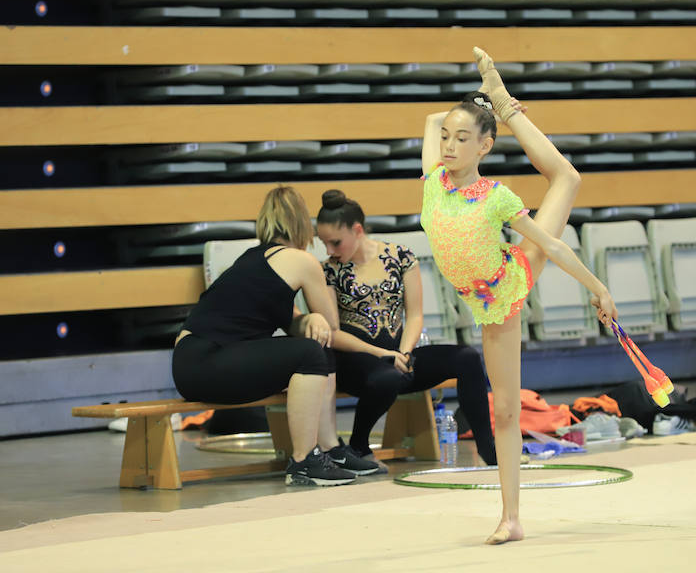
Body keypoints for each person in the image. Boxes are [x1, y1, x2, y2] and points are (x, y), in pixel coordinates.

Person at [420, 47, 619, 545]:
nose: (448, 145)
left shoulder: (496, 196)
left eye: (463, 138)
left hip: (510, 285)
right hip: (483, 301)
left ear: (486, 147)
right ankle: (499, 101)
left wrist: (598, 288)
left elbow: (551, 244)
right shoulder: (432, 184)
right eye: (446, 137)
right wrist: (473, 105)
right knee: (568, 177)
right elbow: (431, 119)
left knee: (506, 410)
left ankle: (511, 518)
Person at [171, 186, 379, 486]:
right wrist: (318, 315)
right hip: (208, 360)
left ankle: (332, 449)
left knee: (317, 349)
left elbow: (293, 321)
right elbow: (332, 324)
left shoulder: (252, 259)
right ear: (301, 225)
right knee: (311, 352)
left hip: (192, 363)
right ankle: (303, 461)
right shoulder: (300, 260)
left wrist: (309, 319)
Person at [316, 189, 497, 469]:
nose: (329, 251)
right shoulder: (327, 271)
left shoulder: (400, 256)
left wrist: (404, 351)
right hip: (354, 361)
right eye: (324, 243)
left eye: (335, 242)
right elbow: (333, 331)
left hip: (399, 356)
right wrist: (381, 353)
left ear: (357, 230)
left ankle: (489, 449)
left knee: (467, 357)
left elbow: (415, 315)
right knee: (387, 376)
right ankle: (358, 446)